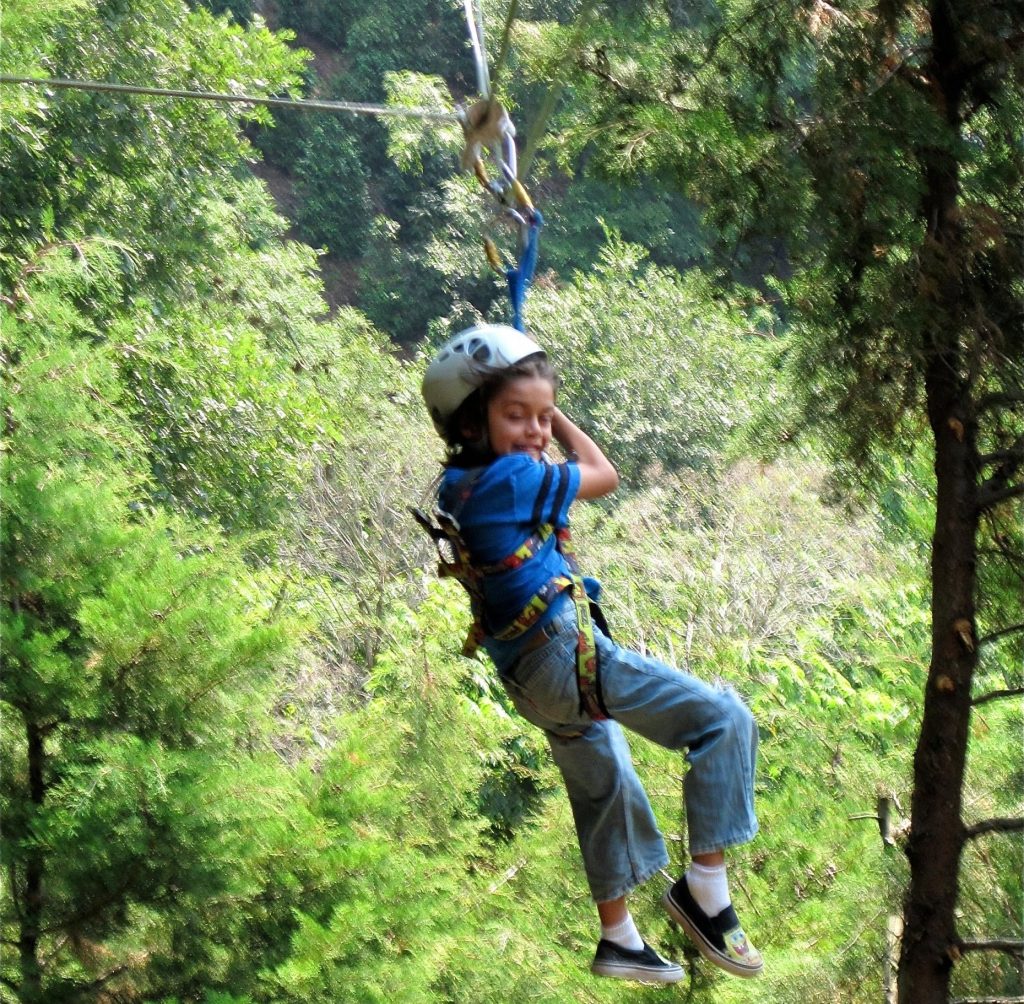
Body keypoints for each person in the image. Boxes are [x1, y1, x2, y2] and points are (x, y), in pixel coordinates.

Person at [419, 323, 763, 984]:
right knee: (723, 720)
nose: (535, 431)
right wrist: (560, 418)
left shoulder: (458, 484)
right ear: (469, 422)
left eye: (543, 418)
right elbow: (605, 475)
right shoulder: (512, 476)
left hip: (528, 678)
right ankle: (705, 892)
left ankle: (619, 937)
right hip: (562, 657)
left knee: (606, 785)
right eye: (515, 416)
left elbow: (528, 459)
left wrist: (530, 404)